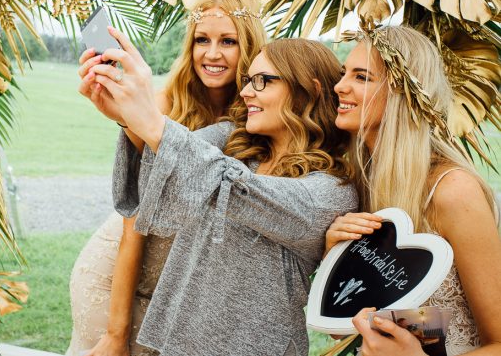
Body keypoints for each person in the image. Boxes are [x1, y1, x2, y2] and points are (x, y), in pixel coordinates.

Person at [79, 34, 358, 356]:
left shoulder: (331, 190)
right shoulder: (231, 140)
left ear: (310, 91)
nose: (245, 92)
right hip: (178, 344)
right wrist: (125, 116)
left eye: (262, 81)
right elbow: (164, 166)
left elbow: (229, 186)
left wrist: (149, 119)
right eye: (247, 80)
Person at [66, 0, 267, 356]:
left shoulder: (258, 116)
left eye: (228, 41)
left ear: (250, 45)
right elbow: (134, 226)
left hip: (172, 293)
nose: (212, 53)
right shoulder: (163, 108)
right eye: (201, 40)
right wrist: (115, 333)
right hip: (114, 282)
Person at [323, 26, 501, 356]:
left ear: (403, 93)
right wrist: (335, 259)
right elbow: (349, 329)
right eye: (343, 73)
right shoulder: (362, 182)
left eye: (361, 77)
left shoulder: (452, 191)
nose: (339, 87)